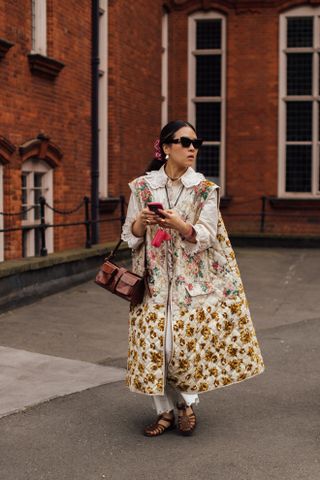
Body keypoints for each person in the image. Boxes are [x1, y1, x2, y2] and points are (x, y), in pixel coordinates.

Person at [121, 120, 265, 437]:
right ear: (165, 147)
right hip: (151, 283)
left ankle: (185, 403)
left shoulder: (204, 190)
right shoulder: (142, 188)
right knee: (154, 349)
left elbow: (208, 235)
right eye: (185, 142)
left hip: (190, 285)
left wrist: (181, 225)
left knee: (177, 349)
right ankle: (166, 412)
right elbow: (129, 236)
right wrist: (142, 223)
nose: (191, 149)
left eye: (195, 143)